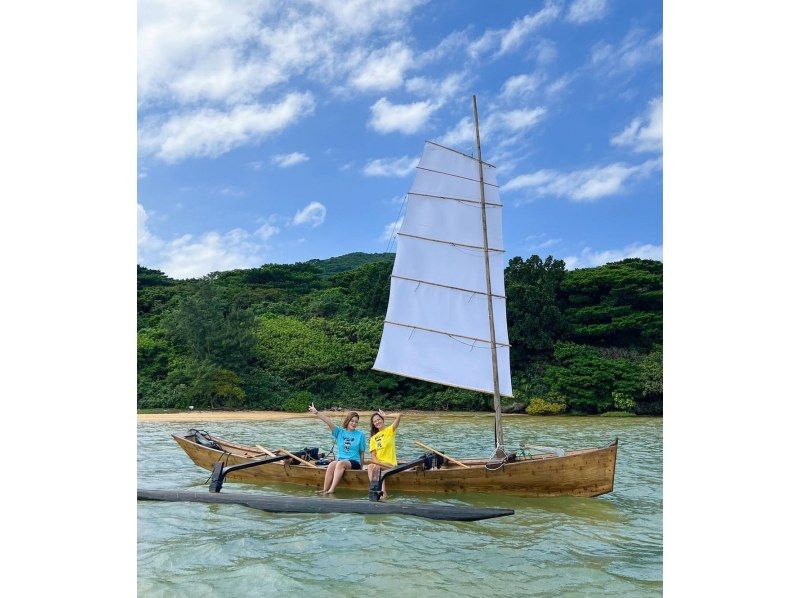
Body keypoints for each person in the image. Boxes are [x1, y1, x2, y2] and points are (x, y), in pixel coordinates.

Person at [308, 403, 366, 495]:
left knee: (340, 463)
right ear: (347, 421)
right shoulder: (339, 432)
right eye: (352, 421)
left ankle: (332, 490)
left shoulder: (360, 435)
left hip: (354, 462)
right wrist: (316, 413)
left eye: (356, 422)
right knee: (331, 464)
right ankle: (325, 489)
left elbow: (362, 453)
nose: (354, 423)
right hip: (341, 461)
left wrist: (361, 469)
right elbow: (328, 422)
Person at [366, 409, 401, 500]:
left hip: (390, 464)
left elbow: (399, 415)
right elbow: (373, 456)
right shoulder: (373, 438)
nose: (377, 422)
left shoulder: (390, 430)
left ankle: (383, 493)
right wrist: (377, 464)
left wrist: (386, 415)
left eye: (378, 419)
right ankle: (375, 490)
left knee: (376, 467)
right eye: (375, 421)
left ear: (382, 419)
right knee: (370, 466)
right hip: (379, 464)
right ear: (373, 424)